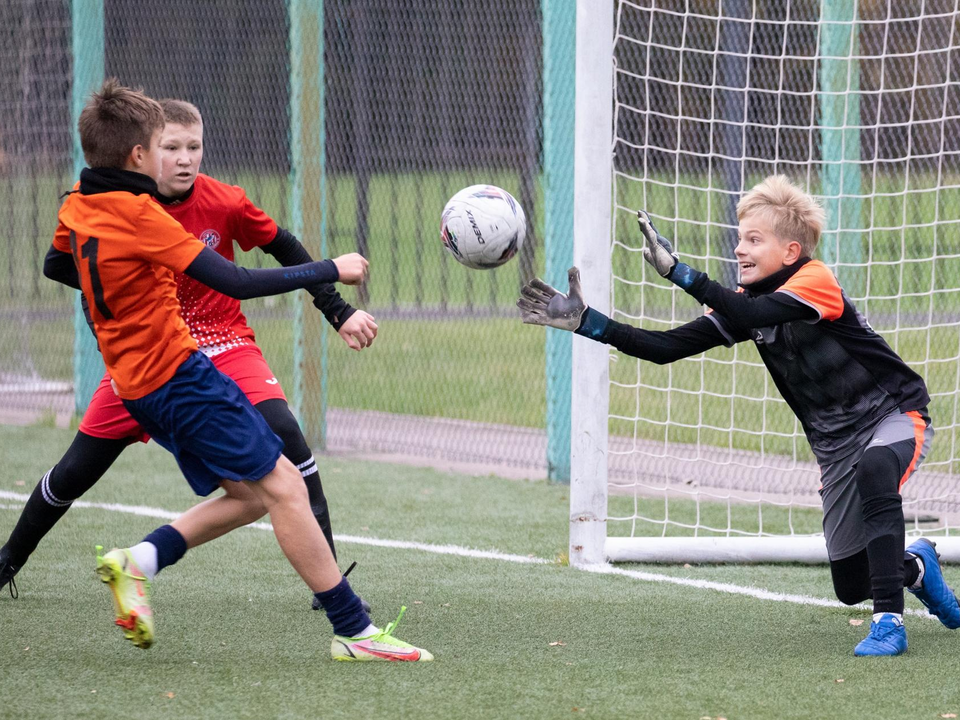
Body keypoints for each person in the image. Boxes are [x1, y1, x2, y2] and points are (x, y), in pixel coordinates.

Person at [29, 78, 431, 661]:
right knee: (285, 483)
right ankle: (355, 630)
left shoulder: (79, 203)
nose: (179, 158)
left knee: (249, 496)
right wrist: (332, 268)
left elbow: (57, 262)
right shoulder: (141, 216)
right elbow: (237, 280)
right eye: (162, 146)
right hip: (177, 378)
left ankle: (138, 562)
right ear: (139, 155)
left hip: (137, 383)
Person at [518, 174, 959, 657]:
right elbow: (667, 348)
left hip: (894, 416)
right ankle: (916, 565)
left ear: (790, 252)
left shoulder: (816, 281)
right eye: (739, 239)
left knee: (877, 470)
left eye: (753, 239)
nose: (739, 250)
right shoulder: (746, 306)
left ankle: (889, 624)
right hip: (835, 450)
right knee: (852, 583)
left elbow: (753, 316)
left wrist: (680, 272)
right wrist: (588, 323)